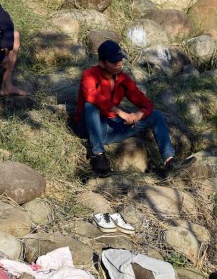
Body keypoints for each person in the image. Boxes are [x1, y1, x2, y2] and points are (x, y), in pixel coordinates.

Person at [74, 40, 195, 177]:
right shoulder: (89, 75)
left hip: (111, 129)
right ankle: (99, 158)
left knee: (156, 115)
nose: (119, 64)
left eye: (120, 60)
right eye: (114, 62)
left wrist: (139, 114)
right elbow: (92, 96)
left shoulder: (123, 79)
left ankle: (169, 161)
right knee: (90, 107)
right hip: (88, 128)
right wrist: (121, 113)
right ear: (102, 63)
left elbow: (145, 102)